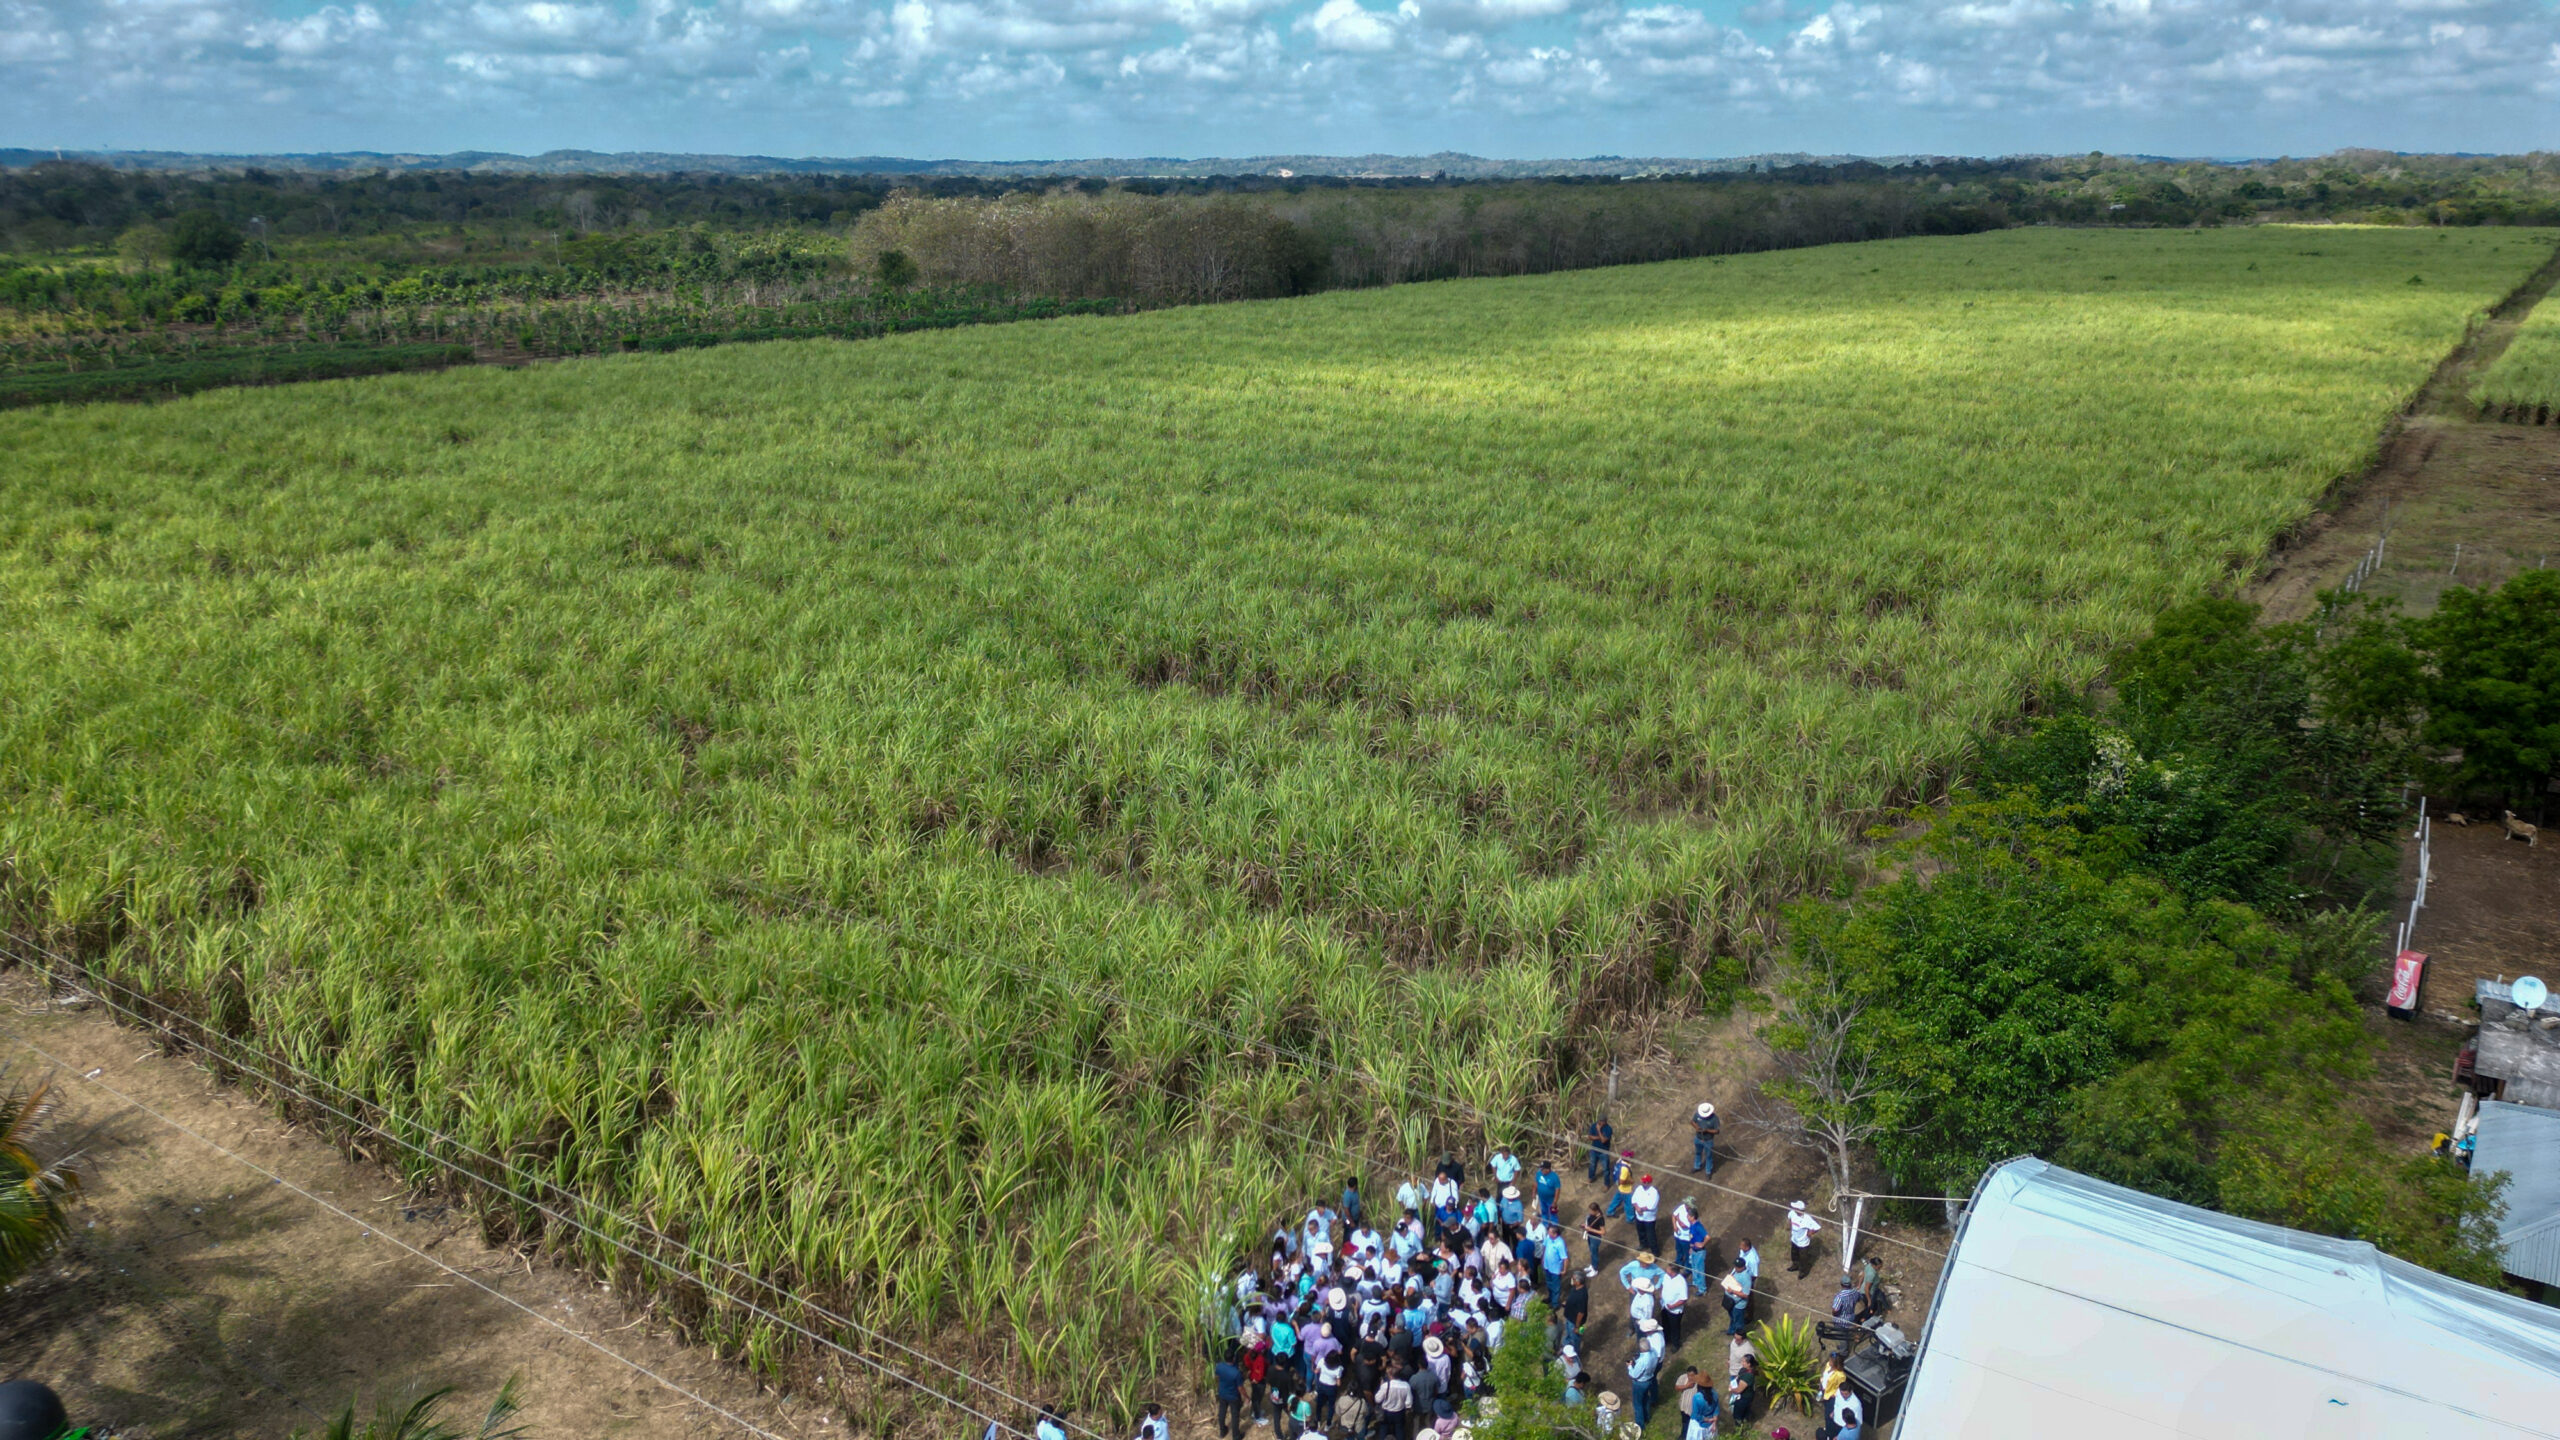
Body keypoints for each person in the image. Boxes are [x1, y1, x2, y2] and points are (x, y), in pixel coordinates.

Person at [1627, 1337, 1663, 1427]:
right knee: (1646, 1399)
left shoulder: (1642, 1361)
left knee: (1637, 1404)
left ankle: (1640, 1425)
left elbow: (1634, 1375)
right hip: (1649, 1379)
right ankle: (1647, 1418)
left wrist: (1629, 1366)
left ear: (1641, 1348)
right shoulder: (1654, 1353)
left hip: (1640, 1383)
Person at [1216, 1344, 1248, 1439]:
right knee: (1235, 1416)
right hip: (1233, 1396)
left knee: (1222, 1412)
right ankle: (1236, 1436)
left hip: (1222, 1393)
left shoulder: (1219, 1366)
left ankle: (1222, 1431)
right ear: (1233, 1358)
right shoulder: (1236, 1373)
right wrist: (1246, 1397)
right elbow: (1240, 1388)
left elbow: (1217, 1377)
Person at [1374, 1365, 1414, 1440]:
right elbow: (1409, 1403)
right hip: (1399, 1412)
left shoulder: (1385, 1386)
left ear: (1390, 1375)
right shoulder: (1406, 1386)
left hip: (1386, 1412)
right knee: (1399, 1430)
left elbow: (1377, 1399)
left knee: (1383, 1429)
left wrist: (1380, 1386)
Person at [1787, 1201, 1823, 1278]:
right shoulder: (1792, 1213)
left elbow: (1817, 1227)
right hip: (1794, 1239)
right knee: (1794, 1254)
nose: (1793, 1209)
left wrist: (1811, 1233)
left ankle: (1803, 1272)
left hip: (1803, 1242)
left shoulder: (1807, 1218)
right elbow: (1790, 1219)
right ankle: (1795, 1265)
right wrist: (1790, 1226)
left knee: (1803, 1258)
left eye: (1795, 1208)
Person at [1661, 1264, 1691, 1350]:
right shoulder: (1666, 1276)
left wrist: (1673, 1306)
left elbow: (1683, 1299)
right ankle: (1666, 1339)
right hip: (1665, 1306)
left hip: (1674, 1310)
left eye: (1668, 1271)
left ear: (1673, 1272)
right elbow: (1664, 1285)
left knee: (1675, 1328)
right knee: (1665, 1324)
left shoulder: (1681, 1282)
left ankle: (1676, 1344)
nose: (1666, 1272)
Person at [1631, 1173, 1662, 1254]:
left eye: (1645, 1182)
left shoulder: (1654, 1192)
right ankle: (1643, 1244)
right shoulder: (1639, 1188)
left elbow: (1652, 1206)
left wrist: (1641, 1209)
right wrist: (1637, 1208)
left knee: (1651, 1235)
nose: (1643, 1183)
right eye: (1643, 1181)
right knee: (1640, 1232)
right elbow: (1633, 1200)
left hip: (1649, 1219)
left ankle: (1655, 1252)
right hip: (1639, 1216)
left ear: (1649, 1183)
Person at [1606, 1152, 1639, 1221]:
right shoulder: (1625, 1169)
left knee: (1616, 1200)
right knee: (1629, 1205)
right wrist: (1631, 1181)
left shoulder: (1619, 1161)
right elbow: (1622, 1181)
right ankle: (1630, 1218)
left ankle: (1609, 1211)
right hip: (1626, 1190)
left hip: (1620, 1188)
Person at [1692, 1102, 1720, 1175]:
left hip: (1708, 1141)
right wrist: (1696, 1127)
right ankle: (1697, 1166)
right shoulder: (1697, 1115)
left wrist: (1707, 1130)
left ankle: (1708, 1171)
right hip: (1698, 1138)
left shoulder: (1714, 1118)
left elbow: (1717, 1131)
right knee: (1698, 1153)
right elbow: (1692, 1121)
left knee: (1708, 1156)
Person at [1581, 1202, 1608, 1271]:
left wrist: (1591, 1229)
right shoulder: (1591, 1215)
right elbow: (1589, 1222)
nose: (1589, 1212)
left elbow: (1603, 1232)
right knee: (1592, 1252)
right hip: (1590, 1236)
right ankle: (1592, 1265)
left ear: (1596, 1211)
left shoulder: (1600, 1219)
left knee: (1594, 1253)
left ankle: (1595, 1269)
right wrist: (1585, 1225)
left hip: (1595, 1238)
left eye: (1591, 1211)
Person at [1535, 1157, 1562, 1225]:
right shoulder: (1539, 1173)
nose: (1541, 1170)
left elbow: (1557, 1190)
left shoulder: (1554, 1177)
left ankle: (1554, 1228)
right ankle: (1545, 1226)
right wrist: (1533, 1192)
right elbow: (1536, 1183)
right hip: (1542, 1198)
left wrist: (1555, 1202)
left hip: (1550, 1200)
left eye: (1542, 1169)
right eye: (1541, 1168)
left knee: (1553, 1215)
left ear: (1548, 1169)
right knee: (1544, 1212)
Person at [1585, 1116, 1614, 1182]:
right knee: (1592, 1165)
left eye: (1601, 1121)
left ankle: (1606, 1184)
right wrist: (1599, 1137)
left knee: (1605, 1169)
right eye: (1599, 1121)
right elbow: (1589, 1137)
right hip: (1594, 1150)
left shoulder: (1608, 1129)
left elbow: (1603, 1140)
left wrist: (1598, 1130)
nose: (1599, 1122)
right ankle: (1591, 1178)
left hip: (1603, 1152)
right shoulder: (1594, 1125)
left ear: (1605, 1121)